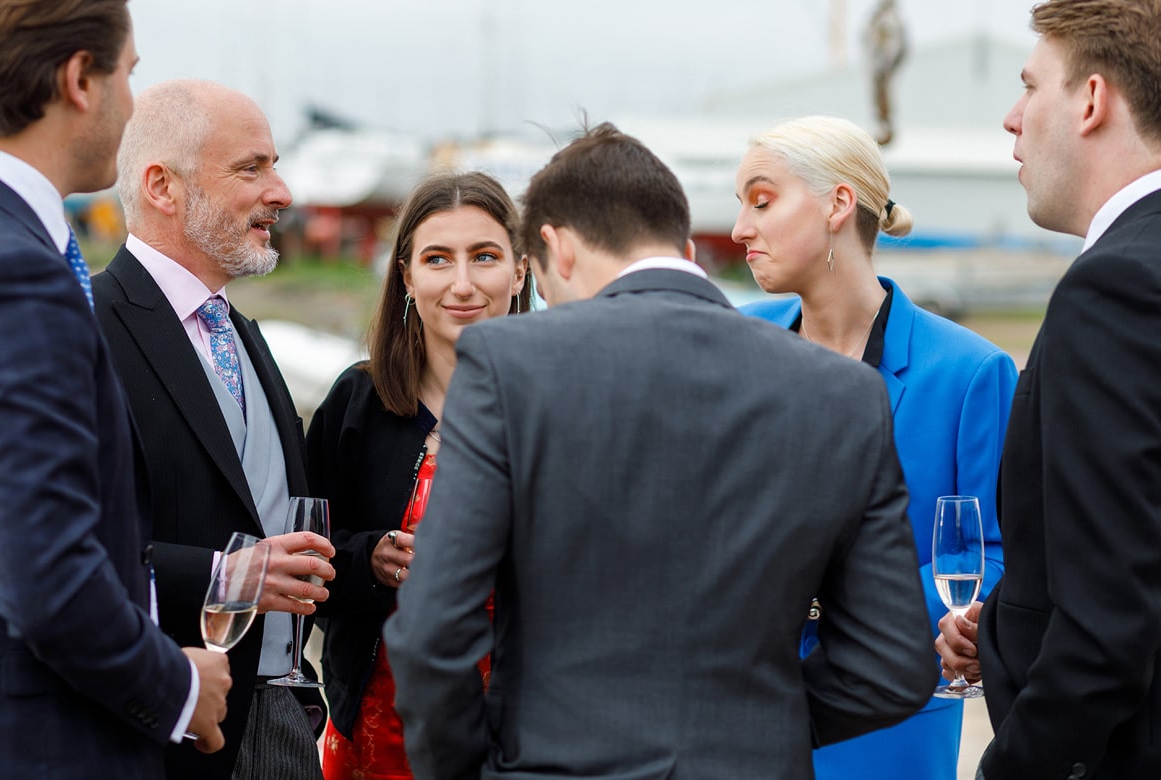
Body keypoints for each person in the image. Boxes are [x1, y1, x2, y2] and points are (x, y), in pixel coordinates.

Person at [383, 122, 936, 780]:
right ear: (683, 242)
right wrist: (761, 729)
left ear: (556, 249)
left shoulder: (509, 366)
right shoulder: (844, 393)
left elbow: (431, 633)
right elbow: (894, 665)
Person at [733, 115, 1017, 780]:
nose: (742, 228)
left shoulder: (972, 372)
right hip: (740, 708)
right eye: (740, 205)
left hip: (890, 717)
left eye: (762, 201)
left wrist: (848, 618)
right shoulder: (734, 341)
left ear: (838, 204)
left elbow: (998, 554)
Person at [0, 3, 232, 777]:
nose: (134, 102)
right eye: (128, 73)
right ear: (79, 81)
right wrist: (178, 687)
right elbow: (48, 579)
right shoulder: (21, 270)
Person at [936, 1, 1161, 777]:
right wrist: (1001, 630)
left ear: (1092, 101)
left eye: (1031, 86)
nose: (1011, 117)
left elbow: (1107, 628)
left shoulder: (1117, 285)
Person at [91, 79, 336, 780]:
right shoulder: (89, 333)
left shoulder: (244, 334)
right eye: (251, 168)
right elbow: (63, 554)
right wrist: (229, 575)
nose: (282, 191)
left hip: (285, 717)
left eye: (275, 165)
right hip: (166, 736)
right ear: (163, 187)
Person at [307, 170, 529, 780]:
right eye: (437, 259)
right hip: (379, 729)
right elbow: (302, 545)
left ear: (520, 269)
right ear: (407, 275)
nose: (462, 284)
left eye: (485, 257)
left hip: (528, 732)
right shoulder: (358, 401)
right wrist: (369, 559)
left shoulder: (559, 406)